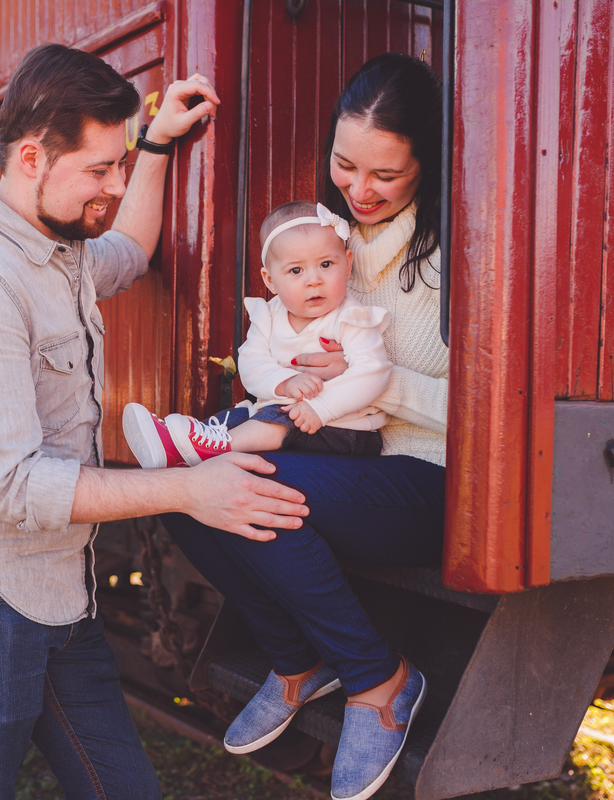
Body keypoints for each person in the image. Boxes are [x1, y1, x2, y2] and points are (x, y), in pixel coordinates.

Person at [0, 44, 310, 800]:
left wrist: (156, 145)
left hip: (57, 593)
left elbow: (132, 252)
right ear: (32, 158)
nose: (110, 188)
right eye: (99, 170)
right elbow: (15, 488)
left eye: (118, 168)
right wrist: (187, 488)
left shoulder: (60, 247)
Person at [160, 52, 447, 800]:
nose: (360, 189)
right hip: (340, 455)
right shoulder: (321, 240)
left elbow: (488, 409)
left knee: (245, 481)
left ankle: (379, 681)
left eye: (386, 175)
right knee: (179, 486)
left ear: (429, 163)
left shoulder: (455, 250)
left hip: (432, 477)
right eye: (345, 165)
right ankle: (294, 662)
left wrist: (364, 387)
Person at [122, 199, 390, 468]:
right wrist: (284, 382)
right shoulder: (269, 315)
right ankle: (174, 447)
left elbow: (373, 372)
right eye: (296, 270)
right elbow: (251, 364)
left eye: (326, 264)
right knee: (239, 414)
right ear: (270, 280)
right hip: (285, 416)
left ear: (348, 263)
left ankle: (212, 448)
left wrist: (322, 408)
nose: (314, 279)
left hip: (345, 428)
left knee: (278, 416)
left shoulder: (351, 317)